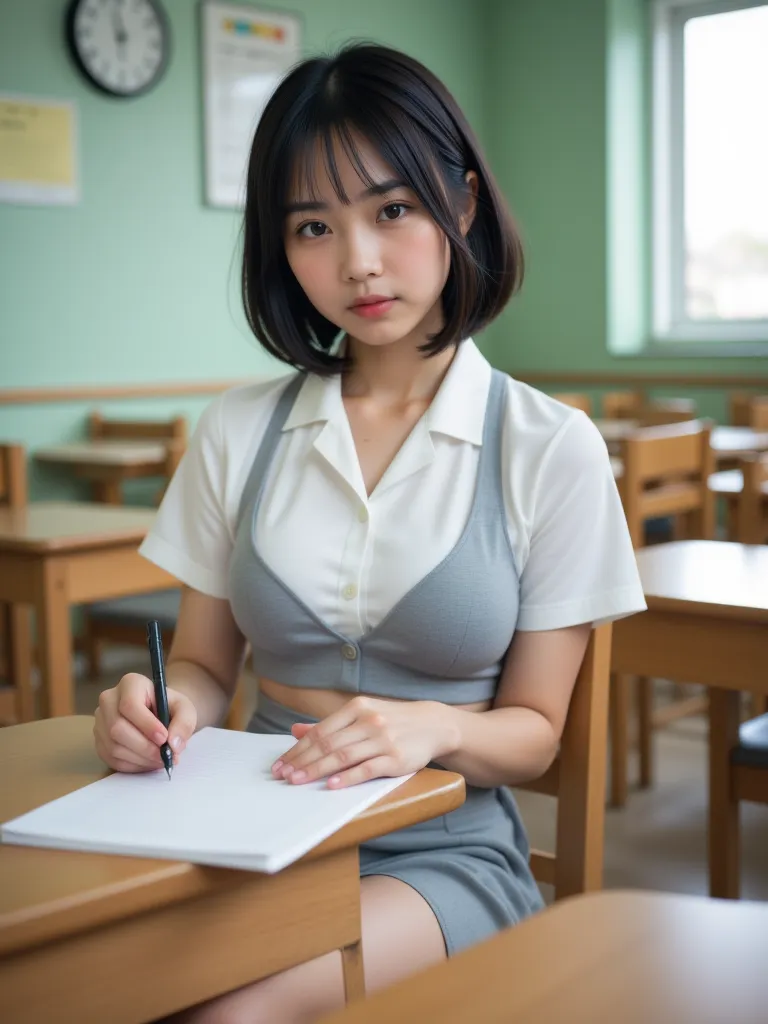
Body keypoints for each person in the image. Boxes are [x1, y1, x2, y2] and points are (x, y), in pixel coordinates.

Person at [93, 42, 645, 1023]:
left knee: (229, 1011)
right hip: (242, 828)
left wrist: (427, 726)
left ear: (462, 205)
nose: (357, 261)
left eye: (392, 210)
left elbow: (536, 735)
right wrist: (158, 707)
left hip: (441, 852)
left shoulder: (548, 446)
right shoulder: (236, 429)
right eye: (314, 225)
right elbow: (211, 672)